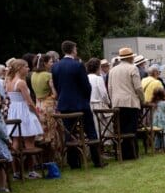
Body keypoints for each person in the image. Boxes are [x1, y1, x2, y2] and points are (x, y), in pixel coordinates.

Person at [52, 40, 103, 169]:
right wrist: (85, 99)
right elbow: (86, 86)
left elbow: (57, 86)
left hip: (64, 105)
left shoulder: (55, 66)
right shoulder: (78, 65)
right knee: (90, 131)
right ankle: (97, 160)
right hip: (80, 104)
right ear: (73, 50)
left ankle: (74, 163)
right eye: (76, 48)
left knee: (70, 133)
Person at [5, 58, 44, 179]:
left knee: (15, 140)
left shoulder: (8, 81)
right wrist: (37, 114)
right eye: (26, 67)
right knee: (29, 141)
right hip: (24, 112)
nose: (28, 69)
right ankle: (31, 170)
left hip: (14, 111)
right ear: (19, 68)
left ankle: (16, 172)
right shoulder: (21, 82)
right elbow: (29, 102)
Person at [108, 46, 144, 160]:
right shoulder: (133, 69)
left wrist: (112, 100)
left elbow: (110, 88)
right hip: (130, 102)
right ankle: (132, 153)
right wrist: (142, 99)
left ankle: (123, 153)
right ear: (130, 58)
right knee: (132, 129)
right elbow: (138, 87)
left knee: (121, 129)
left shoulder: (112, 70)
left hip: (117, 102)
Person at [31, 53, 61, 160]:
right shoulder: (48, 75)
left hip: (38, 104)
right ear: (45, 63)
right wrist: (53, 97)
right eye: (51, 62)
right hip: (48, 105)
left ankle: (42, 158)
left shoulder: (33, 75)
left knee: (42, 131)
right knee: (51, 131)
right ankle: (52, 157)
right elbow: (55, 93)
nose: (52, 64)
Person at [86, 57, 111, 139]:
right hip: (98, 106)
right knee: (103, 125)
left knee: (92, 127)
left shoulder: (86, 77)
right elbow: (104, 94)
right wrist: (108, 103)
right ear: (98, 67)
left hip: (88, 105)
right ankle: (104, 142)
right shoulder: (98, 78)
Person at [151, 86, 165, 153]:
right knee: (164, 134)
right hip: (164, 120)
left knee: (157, 134)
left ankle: (156, 147)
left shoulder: (154, 103)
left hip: (155, 121)